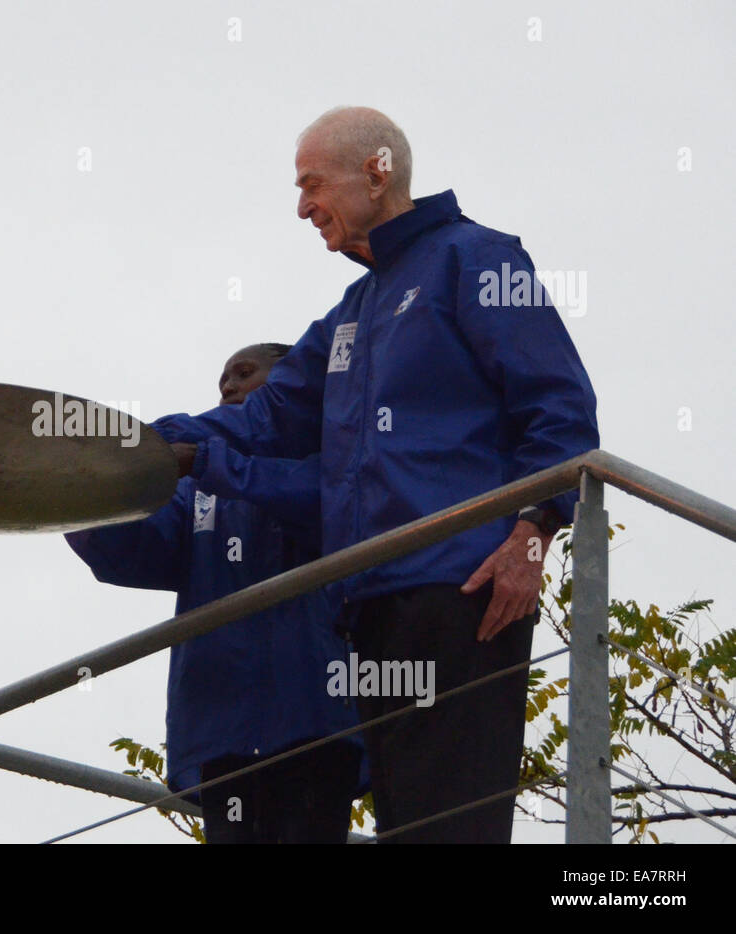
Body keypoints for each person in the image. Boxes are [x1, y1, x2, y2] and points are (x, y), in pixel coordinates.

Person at [151, 107, 599, 843]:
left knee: (452, 823)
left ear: (377, 171)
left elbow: (560, 406)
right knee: (405, 826)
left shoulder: (477, 259)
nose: (302, 206)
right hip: (366, 607)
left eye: (311, 183)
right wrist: (153, 445)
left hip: (466, 589)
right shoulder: (349, 315)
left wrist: (533, 534)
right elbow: (269, 418)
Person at [65, 343, 366, 844]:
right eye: (222, 379)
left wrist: (210, 460)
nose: (227, 386)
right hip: (219, 727)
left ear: (292, 383)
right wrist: (80, 497)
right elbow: (130, 550)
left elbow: (323, 507)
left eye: (244, 373)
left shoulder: (331, 457)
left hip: (314, 716)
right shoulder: (194, 492)